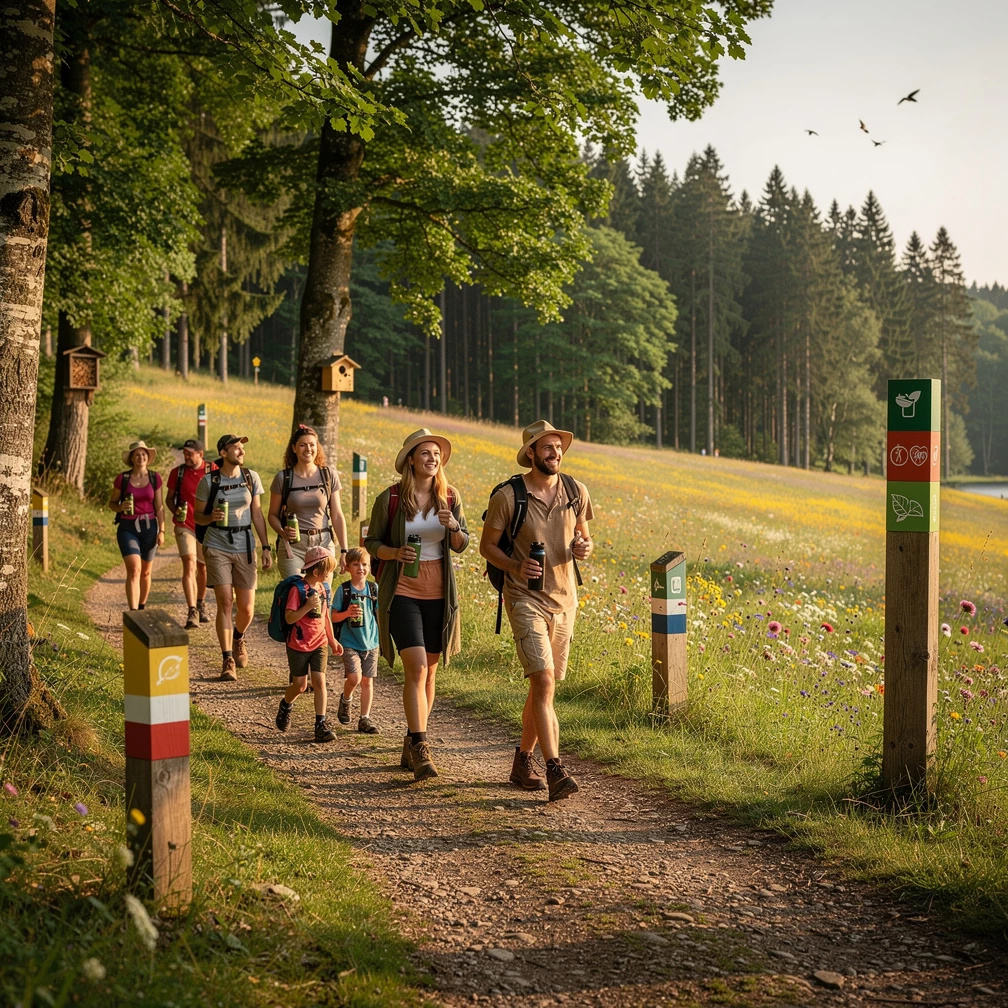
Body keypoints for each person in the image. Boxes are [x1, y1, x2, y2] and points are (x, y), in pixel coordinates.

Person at [479, 420, 593, 801]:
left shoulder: (577, 491)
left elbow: (585, 537)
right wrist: (514, 565)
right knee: (543, 682)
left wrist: (583, 548)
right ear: (531, 452)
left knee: (543, 687)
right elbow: (487, 547)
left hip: (566, 601)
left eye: (558, 447)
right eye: (547, 447)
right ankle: (556, 769)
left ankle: (522, 759)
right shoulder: (509, 496)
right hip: (524, 598)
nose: (555, 453)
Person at [365, 428, 468, 781]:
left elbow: (462, 543)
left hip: (440, 594)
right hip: (404, 591)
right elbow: (371, 542)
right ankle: (423, 746)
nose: (432, 459)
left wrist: (453, 525)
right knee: (417, 668)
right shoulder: (391, 498)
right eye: (425, 453)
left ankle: (410, 739)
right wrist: (393, 552)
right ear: (410, 459)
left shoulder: (450, 498)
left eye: (436, 454)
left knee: (431, 672)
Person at [195, 434, 273, 681]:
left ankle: (238, 636)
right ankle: (227, 658)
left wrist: (266, 546)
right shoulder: (209, 482)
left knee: (247, 609)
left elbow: (257, 513)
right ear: (223, 452)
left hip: (245, 545)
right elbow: (197, 516)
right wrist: (211, 518)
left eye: (242, 448)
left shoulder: (251, 477)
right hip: (217, 543)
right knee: (226, 602)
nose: (241, 452)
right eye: (236, 448)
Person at [274, 546, 342, 743]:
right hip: (298, 644)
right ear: (317, 571)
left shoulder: (322, 588)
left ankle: (320, 725)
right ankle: (286, 704)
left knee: (320, 681)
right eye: (328, 570)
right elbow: (289, 618)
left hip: (319, 642)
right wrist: (307, 606)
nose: (330, 574)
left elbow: (325, 618)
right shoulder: (298, 590)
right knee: (300, 686)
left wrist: (332, 640)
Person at [268, 424, 349, 581]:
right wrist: (282, 532)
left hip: (323, 543)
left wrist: (344, 550)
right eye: (302, 445)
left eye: (312, 444)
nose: (308, 449)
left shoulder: (328, 475)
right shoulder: (283, 478)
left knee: (323, 595)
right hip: (294, 546)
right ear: (294, 448)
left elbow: (337, 515)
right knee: (298, 592)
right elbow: (272, 515)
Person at [107, 440, 165, 611]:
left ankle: (141, 608)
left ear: (148, 458)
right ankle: (133, 613)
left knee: (146, 573)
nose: (141, 457)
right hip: (127, 527)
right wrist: (120, 507)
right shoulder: (122, 479)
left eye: (144, 454)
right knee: (134, 569)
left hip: (149, 527)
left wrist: (162, 530)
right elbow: (112, 503)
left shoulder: (155, 478)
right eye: (137, 454)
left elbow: (159, 507)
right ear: (132, 458)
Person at [166, 438, 215, 629]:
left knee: (202, 568)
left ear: (200, 454)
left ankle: (201, 603)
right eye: (184, 453)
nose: (186, 456)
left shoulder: (212, 471)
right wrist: (176, 510)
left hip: (207, 526)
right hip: (184, 524)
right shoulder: (177, 473)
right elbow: (169, 498)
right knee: (189, 563)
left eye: (190, 453)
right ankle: (192, 609)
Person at [332, 547, 380, 734]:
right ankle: (346, 699)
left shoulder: (373, 588)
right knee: (355, 677)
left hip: (371, 641)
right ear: (348, 567)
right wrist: (347, 613)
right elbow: (333, 617)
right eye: (356, 564)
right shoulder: (343, 590)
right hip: (349, 641)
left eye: (365, 564)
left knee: (367, 681)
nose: (361, 568)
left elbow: (378, 614)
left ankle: (364, 719)